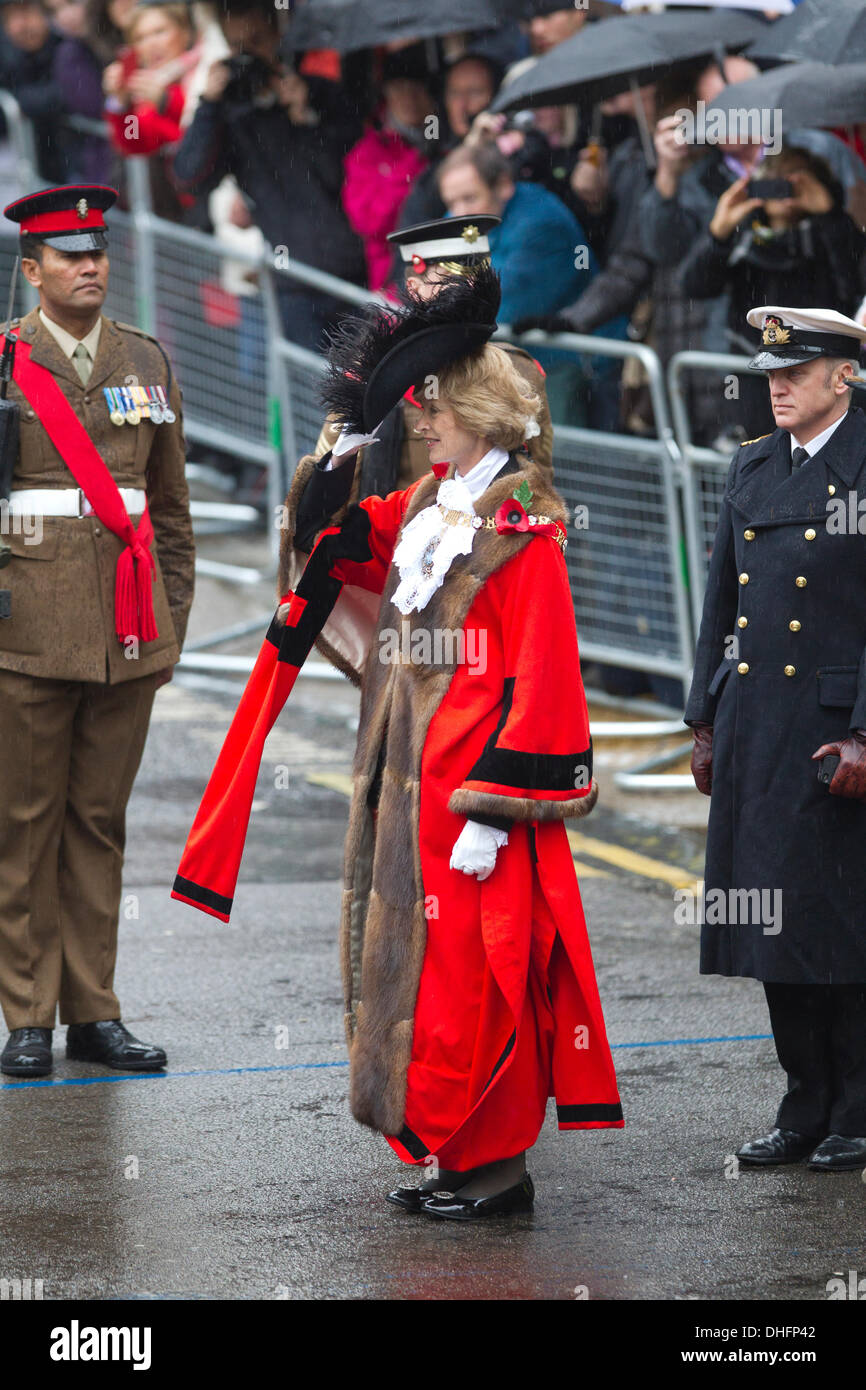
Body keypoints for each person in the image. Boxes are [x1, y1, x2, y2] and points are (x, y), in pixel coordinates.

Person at [277, 264, 623, 1216]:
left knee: (484, 985)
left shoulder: (521, 528)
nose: (420, 425)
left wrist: (497, 809)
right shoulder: (429, 508)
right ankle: (445, 1151)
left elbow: (547, 680)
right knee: (425, 990)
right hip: (409, 795)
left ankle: (497, 1167)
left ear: (477, 411)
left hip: (476, 806)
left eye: (432, 410)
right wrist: (339, 446)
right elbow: (333, 539)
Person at [0, 184, 195, 1078]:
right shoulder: (7, 361)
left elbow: (172, 514)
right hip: (27, 634)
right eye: (69, 255)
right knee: (24, 824)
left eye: (99, 251)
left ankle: (95, 1010)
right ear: (31, 270)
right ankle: (28, 1015)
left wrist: (170, 626)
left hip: (126, 635)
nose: (90, 265)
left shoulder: (146, 362)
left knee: (99, 822)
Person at [685, 304, 866, 1173]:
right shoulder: (752, 465)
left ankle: (857, 1109)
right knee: (776, 926)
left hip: (836, 730)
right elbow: (721, 603)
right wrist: (703, 720)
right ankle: (803, 1103)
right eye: (770, 373)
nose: (778, 386)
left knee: (844, 924)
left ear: (845, 377)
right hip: (758, 723)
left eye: (796, 372)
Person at [313, 214, 553, 502]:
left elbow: (538, 483)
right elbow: (333, 485)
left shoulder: (521, 371)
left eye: (477, 285)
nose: (468, 297)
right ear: (414, 290)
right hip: (394, 536)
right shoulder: (378, 376)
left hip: (488, 538)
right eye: (452, 284)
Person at [173, 0, 365, 351]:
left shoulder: (322, 94)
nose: (249, 56)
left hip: (352, 274)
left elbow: (343, 179)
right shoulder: (231, 113)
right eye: (236, 46)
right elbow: (190, 177)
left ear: (278, 34)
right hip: (293, 283)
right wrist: (208, 103)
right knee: (310, 395)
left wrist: (305, 117)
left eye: (257, 42)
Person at [340, 46, 431, 292]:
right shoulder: (367, 152)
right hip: (393, 288)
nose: (409, 98)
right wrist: (415, 161)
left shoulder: (447, 142)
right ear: (385, 93)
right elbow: (369, 224)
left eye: (417, 88)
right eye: (399, 88)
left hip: (445, 280)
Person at [0, 0, 70, 183]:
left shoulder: (67, 45)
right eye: (9, 18)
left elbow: (67, 95)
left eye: (25, 13)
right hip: (30, 169)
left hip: (73, 163)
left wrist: (18, 101)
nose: (19, 26)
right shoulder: (7, 55)